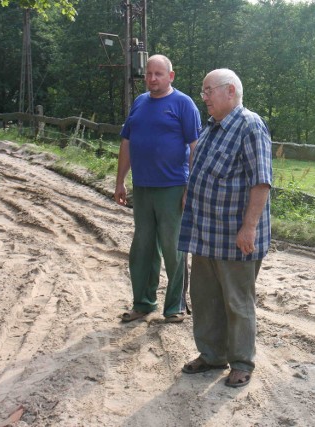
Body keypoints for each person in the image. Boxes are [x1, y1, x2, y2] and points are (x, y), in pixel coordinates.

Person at [178, 69, 272, 388]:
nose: (203, 97)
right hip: (205, 233)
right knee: (205, 298)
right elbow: (199, 172)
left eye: (208, 91)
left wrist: (249, 228)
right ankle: (212, 355)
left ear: (229, 91)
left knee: (237, 301)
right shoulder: (211, 128)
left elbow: (261, 182)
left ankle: (242, 362)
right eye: (203, 92)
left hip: (235, 236)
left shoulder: (250, 126)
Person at [114, 54, 201, 324]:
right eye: (149, 74)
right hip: (142, 188)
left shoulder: (183, 104)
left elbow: (195, 148)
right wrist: (120, 180)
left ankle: (174, 306)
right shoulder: (139, 103)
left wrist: (190, 188)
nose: (152, 78)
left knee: (173, 248)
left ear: (170, 76)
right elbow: (127, 143)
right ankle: (142, 303)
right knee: (142, 247)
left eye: (158, 74)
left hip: (173, 188)